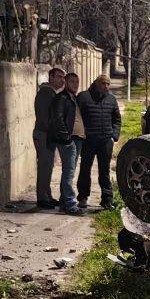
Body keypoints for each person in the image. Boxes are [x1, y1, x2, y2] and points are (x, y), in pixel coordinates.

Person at [75, 74, 122, 210]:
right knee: (85, 169)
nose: (106, 87)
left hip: (105, 141)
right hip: (88, 140)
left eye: (108, 84)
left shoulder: (111, 99)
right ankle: (83, 197)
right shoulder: (84, 97)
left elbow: (117, 119)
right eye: (103, 84)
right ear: (96, 83)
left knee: (105, 171)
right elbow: (76, 115)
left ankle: (107, 200)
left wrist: (114, 134)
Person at [47, 72, 84, 215]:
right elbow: (57, 119)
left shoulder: (73, 98)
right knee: (69, 172)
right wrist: (67, 138)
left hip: (77, 138)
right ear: (66, 83)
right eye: (72, 81)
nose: (75, 84)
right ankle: (70, 204)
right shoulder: (62, 98)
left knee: (70, 171)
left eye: (77, 81)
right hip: (69, 140)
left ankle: (64, 202)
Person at [33, 67, 66, 208]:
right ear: (51, 77)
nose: (62, 80)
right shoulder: (45, 94)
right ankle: (42, 199)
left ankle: (47, 195)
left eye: (63, 78)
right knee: (44, 167)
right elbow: (45, 118)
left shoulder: (51, 93)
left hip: (48, 135)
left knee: (48, 167)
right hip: (44, 135)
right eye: (59, 77)